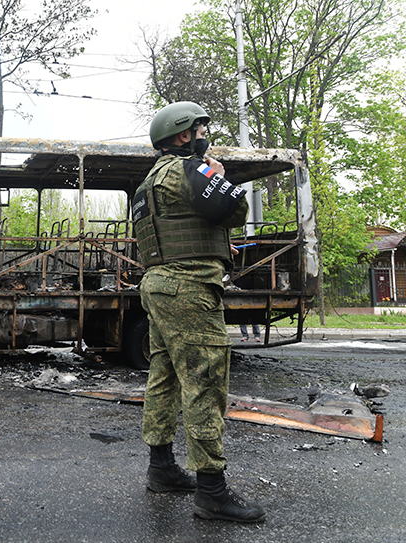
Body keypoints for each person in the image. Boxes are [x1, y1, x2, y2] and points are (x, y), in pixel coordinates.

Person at [131, 101, 266, 523]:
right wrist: (221, 176)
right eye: (202, 128)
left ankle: (162, 468)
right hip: (188, 287)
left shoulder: (146, 184)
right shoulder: (192, 170)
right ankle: (212, 491)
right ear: (185, 134)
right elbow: (233, 209)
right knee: (205, 379)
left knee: (164, 376)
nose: (206, 135)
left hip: (158, 285)